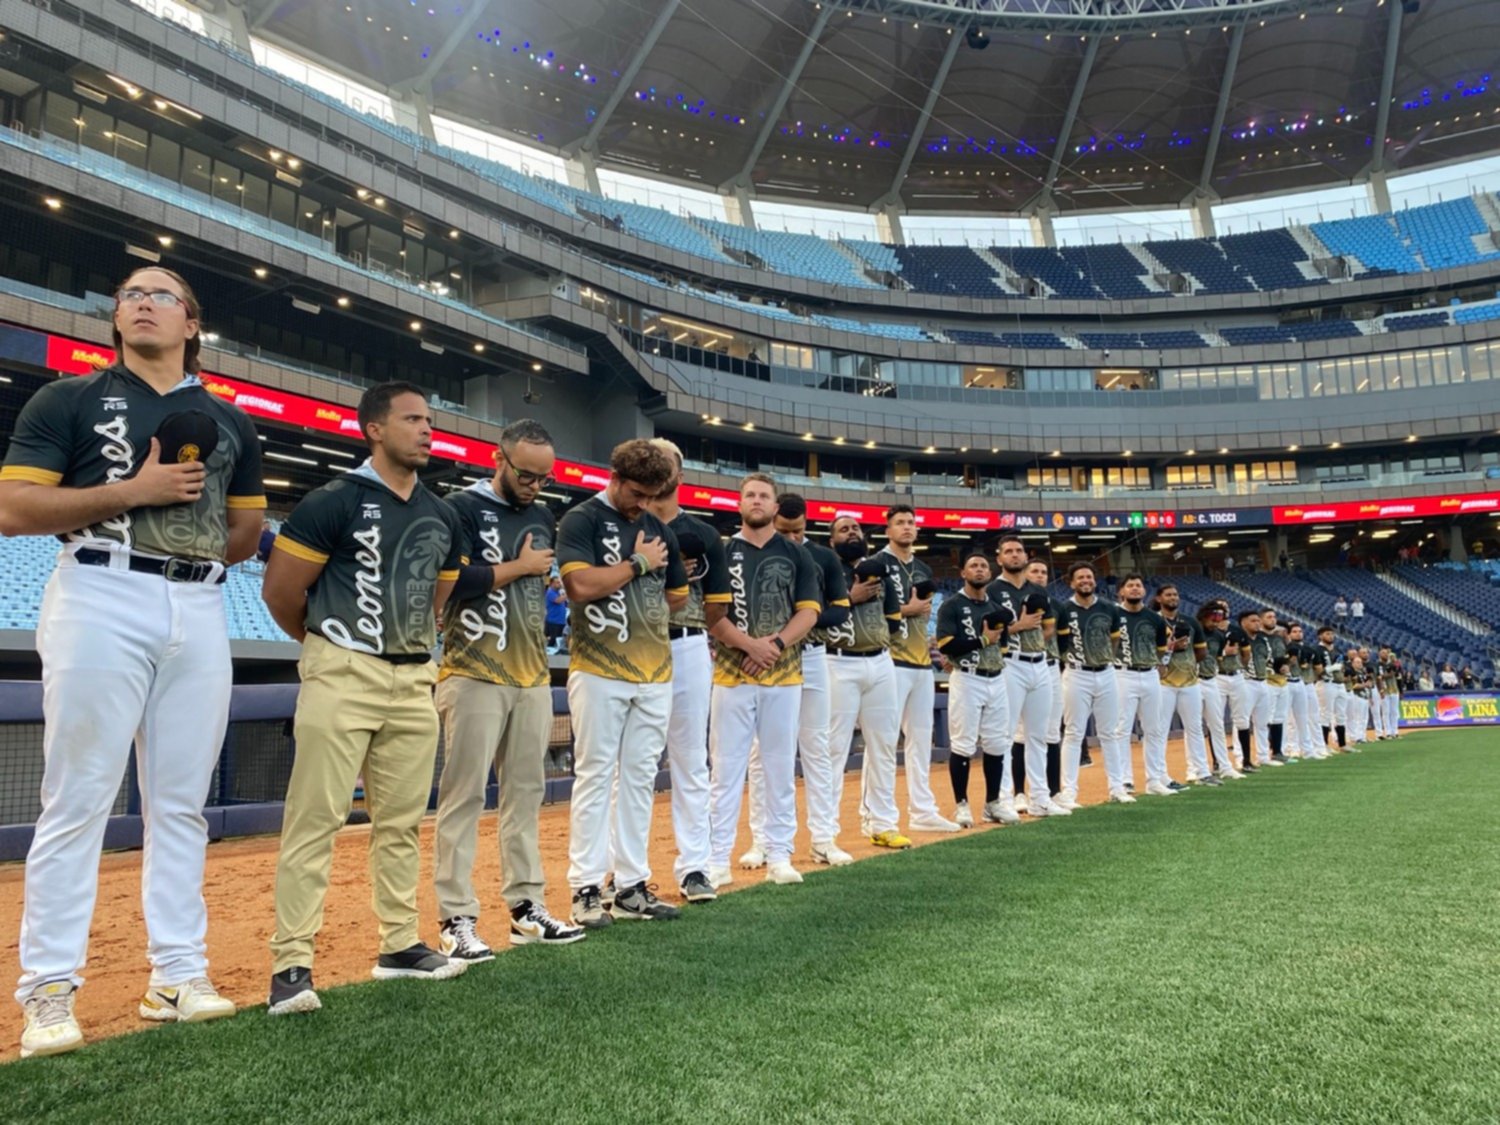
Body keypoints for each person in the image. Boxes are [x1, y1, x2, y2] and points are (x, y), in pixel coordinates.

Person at [1, 267, 264, 1058]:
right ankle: (48, 988)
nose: (141, 302)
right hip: (99, 589)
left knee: (180, 803)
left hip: (199, 602)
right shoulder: (69, 400)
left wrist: (187, 545)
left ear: (192, 322)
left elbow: (247, 531)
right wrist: (134, 490)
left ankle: (178, 972)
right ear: (114, 317)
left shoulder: (231, 419)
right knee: (77, 798)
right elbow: (14, 508)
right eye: (128, 294)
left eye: (162, 295)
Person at [262, 381, 466, 1016]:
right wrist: (332, 648)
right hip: (342, 669)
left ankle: (399, 943)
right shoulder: (334, 500)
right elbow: (281, 592)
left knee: (402, 822)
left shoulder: (443, 512)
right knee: (315, 819)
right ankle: (291, 961)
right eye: (412, 419)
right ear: (375, 429)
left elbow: (440, 593)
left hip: (413, 677)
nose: (427, 429)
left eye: (430, 419)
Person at [430, 419, 585, 963]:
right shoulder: (458, 508)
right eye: (525, 474)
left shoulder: (542, 515)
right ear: (499, 458)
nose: (534, 486)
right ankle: (456, 917)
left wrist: (538, 578)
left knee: (526, 795)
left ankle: (526, 908)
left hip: (530, 673)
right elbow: (448, 581)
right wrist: (520, 567)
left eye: (544, 477)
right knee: (464, 796)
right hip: (472, 670)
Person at [556, 440, 689, 927]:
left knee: (639, 779)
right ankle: (585, 887)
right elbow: (579, 586)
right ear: (615, 477)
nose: (642, 503)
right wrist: (636, 566)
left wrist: (643, 587)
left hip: (654, 671)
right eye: (636, 492)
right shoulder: (582, 519)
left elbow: (676, 595)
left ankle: (631, 885)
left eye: (652, 495)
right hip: (597, 667)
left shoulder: (658, 529)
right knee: (595, 775)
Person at [704, 474, 820, 887]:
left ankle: (780, 855)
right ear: (739, 504)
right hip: (731, 675)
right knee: (726, 769)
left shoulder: (796, 553)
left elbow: (808, 611)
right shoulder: (720, 551)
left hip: (784, 675)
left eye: (764, 495)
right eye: (749, 495)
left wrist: (773, 644)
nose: (756, 501)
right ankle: (716, 859)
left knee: (778, 768)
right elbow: (710, 613)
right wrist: (751, 646)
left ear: (775, 506)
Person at [740, 495, 850, 869]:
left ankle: (823, 838)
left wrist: (803, 617)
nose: (791, 537)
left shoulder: (821, 556)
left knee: (816, 747)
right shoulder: (754, 551)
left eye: (798, 531)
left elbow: (840, 609)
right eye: (784, 531)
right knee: (762, 752)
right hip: (768, 656)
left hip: (812, 654)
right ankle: (761, 841)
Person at [643, 439, 731, 903]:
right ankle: (626, 872)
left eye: (667, 463)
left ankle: (695, 866)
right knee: (632, 763)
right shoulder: (619, 527)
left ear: (679, 473)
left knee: (691, 760)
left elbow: (717, 606)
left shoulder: (704, 533)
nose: (660, 471)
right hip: (633, 645)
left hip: (688, 642)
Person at [822, 516, 909, 854]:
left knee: (885, 745)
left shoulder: (879, 569)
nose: (853, 532)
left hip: (880, 660)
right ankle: (825, 830)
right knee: (833, 749)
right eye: (844, 529)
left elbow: (893, 618)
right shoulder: (825, 566)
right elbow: (813, 612)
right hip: (838, 660)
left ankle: (882, 823)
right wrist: (850, 596)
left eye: (856, 528)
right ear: (831, 541)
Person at [879, 506, 960, 832]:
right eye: (899, 522)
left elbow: (923, 613)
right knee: (883, 741)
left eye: (911, 522)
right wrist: (908, 609)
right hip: (889, 660)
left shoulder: (923, 566)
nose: (907, 527)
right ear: (888, 529)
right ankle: (875, 813)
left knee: (920, 738)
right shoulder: (878, 564)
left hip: (921, 662)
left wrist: (919, 616)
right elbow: (871, 612)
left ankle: (922, 809)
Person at [987, 536, 1067, 817]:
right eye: (1008, 551)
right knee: (1006, 734)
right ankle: (1005, 798)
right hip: (1010, 663)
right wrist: (1018, 627)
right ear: (999, 559)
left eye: (1019, 550)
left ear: (1026, 556)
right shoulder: (992, 589)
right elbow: (987, 631)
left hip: (1040, 662)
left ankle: (1040, 798)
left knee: (1038, 735)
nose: (1014, 555)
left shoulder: (1038, 590)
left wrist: (1029, 630)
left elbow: (1047, 629)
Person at [935, 552, 1015, 826]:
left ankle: (993, 803)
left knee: (996, 743)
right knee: (963, 743)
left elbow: (1002, 646)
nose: (979, 570)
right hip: (968, 678)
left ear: (989, 573)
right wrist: (981, 641)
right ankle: (962, 804)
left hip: (996, 677)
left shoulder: (996, 609)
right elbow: (945, 644)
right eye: (973, 566)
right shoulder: (952, 605)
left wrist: (987, 645)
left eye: (983, 566)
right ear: (963, 573)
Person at [1055, 562, 1128, 806]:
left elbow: (1115, 641)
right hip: (1076, 673)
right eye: (1080, 578)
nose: (1085, 581)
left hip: (1106, 672)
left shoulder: (1110, 608)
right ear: (1071, 582)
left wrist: (1102, 658)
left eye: (1089, 577)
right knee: (1074, 732)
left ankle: (1117, 787)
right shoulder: (1063, 608)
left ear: (1094, 581)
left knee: (1110, 733)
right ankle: (1069, 791)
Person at [1114, 574, 1178, 795]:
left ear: (1144, 591)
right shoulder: (1114, 614)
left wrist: (1158, 664)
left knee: (1154, 729)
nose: (1134, 589)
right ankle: (1124, 779)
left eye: (1138, 585)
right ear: (1121, 591)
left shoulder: (1155, 619)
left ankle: (1154, 780)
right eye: (1129, 585)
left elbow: (1162, 649)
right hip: (1122, 673)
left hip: (1150, 673)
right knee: (1122, 729)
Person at [1153, 584, 1217, 786]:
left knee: (1195, 728)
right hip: (1163, 682)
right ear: (1158, 598)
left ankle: (1200, 772)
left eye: (1175, 594)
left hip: (1190, 682)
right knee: (1159, 730)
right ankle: (1161, 776)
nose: (1173, 597)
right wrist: (1171, 648)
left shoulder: (1190, 622)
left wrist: (1187, 662)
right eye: (1168, 594)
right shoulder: (1153, 620)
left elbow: (1201, 652)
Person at [1024, 558, 1069, 786]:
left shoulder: (1057, 605)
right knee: (1021, 732)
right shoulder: (1017, 600)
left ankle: (1053, 790)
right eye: (1034, 571)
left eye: (1043, 572)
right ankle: (1019, 792)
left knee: (1052, 731)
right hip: (1022, 665)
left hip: (1050, 666)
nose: (1040, 575)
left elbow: (1064, 639)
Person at [1195, 601, 1244, 779]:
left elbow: (1217, 657)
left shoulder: (1218, 636)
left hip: (1211, 680)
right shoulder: (1194, 630)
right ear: (1204, 614)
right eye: (1214, 616)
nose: (1216, 621)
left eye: (1220, 617)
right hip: (1194, 680)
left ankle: (1224, 766)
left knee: (1217, 725)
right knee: (1194, 727)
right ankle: (1194, 768)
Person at [1242, 611, 1278, 767]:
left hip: (1263, 681)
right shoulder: (1240, 638)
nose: (1257, 623)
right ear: (1244, 622)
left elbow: (1268, 659)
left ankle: (1263, 756)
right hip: (1246, 681)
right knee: (1243, 722)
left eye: (1258, 620)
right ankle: (1240, 757)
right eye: (1253, 621)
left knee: (1262, 722)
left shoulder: (1263, 639)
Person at [1261, 610, 1292, 764]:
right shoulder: (1258, 638)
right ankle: (1265, 752)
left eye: (1274, 617)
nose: (1273, 620)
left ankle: (1278, 751)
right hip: (1267, 681)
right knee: (1268, 717)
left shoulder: (1279, 638)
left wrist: (1285, 666)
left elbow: (1285, 656)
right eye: (1268, 617)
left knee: (1279, 717)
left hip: (1282, 681)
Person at [1316, 626, 1350, 751]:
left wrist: (1340, 669)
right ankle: (1323, 744)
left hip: (1339, 684)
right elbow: (1318, 671)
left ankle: (1342, 744)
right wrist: (1332, 668)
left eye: (1332, 634)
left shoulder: (1337, 650)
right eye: (1327, 634)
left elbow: (1342, 667)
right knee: (1325, 714)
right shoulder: (1317, 650)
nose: (1331, 636)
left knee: (1341, 714)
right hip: (1326, 683)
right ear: (1320, 636)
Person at [544, 575, 568, 653]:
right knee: (552, 641)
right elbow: (558, 600)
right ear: (551, 584)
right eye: (557, 582)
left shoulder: (559, 592)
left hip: (561, 621)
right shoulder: (550, 592)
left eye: (560, 582)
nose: (559, 584)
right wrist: (569, 592)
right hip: (553, 621)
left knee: (559, 641)